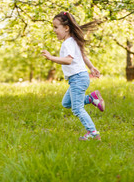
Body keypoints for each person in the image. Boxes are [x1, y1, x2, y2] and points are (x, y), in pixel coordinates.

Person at [41, 11, 105, 141]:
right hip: (79, 78)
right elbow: (83, 56)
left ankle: (93, 132)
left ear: (66, 28)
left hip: (77, 79)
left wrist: (51, 57)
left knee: (77, 109)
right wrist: (92, 67)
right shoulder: (73, 41)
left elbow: (69, 60)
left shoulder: (68, 43)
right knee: (66, 103)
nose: (54, 30)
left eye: (56, 27)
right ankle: (92, 98)